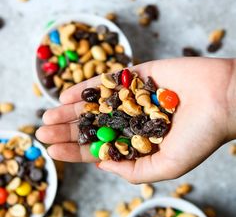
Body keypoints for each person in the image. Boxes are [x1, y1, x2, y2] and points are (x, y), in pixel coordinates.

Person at [36, 57, 236, 184]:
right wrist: (225, 92)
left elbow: (133, 112)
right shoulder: (113, 109)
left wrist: (226, 93)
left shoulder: (138, 103)